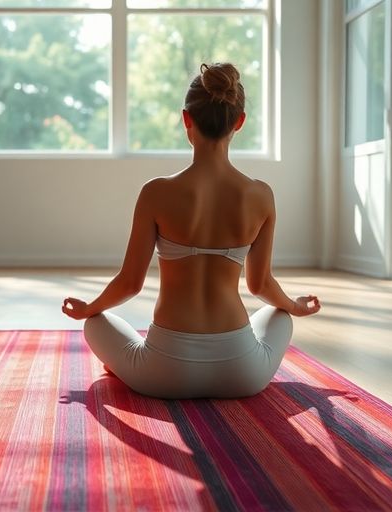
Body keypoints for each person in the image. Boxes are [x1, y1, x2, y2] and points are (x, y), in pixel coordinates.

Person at [61, 62, 321, 399]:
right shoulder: (260, 195)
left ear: (187, 120)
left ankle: (124, 364)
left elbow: (130, 284)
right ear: (239, 122)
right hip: (242, 373)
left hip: (164, 373)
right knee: (279, 314)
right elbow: (261, 285)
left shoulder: (156, 192)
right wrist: (295, 306)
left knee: (95, 324)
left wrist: (88, 308)